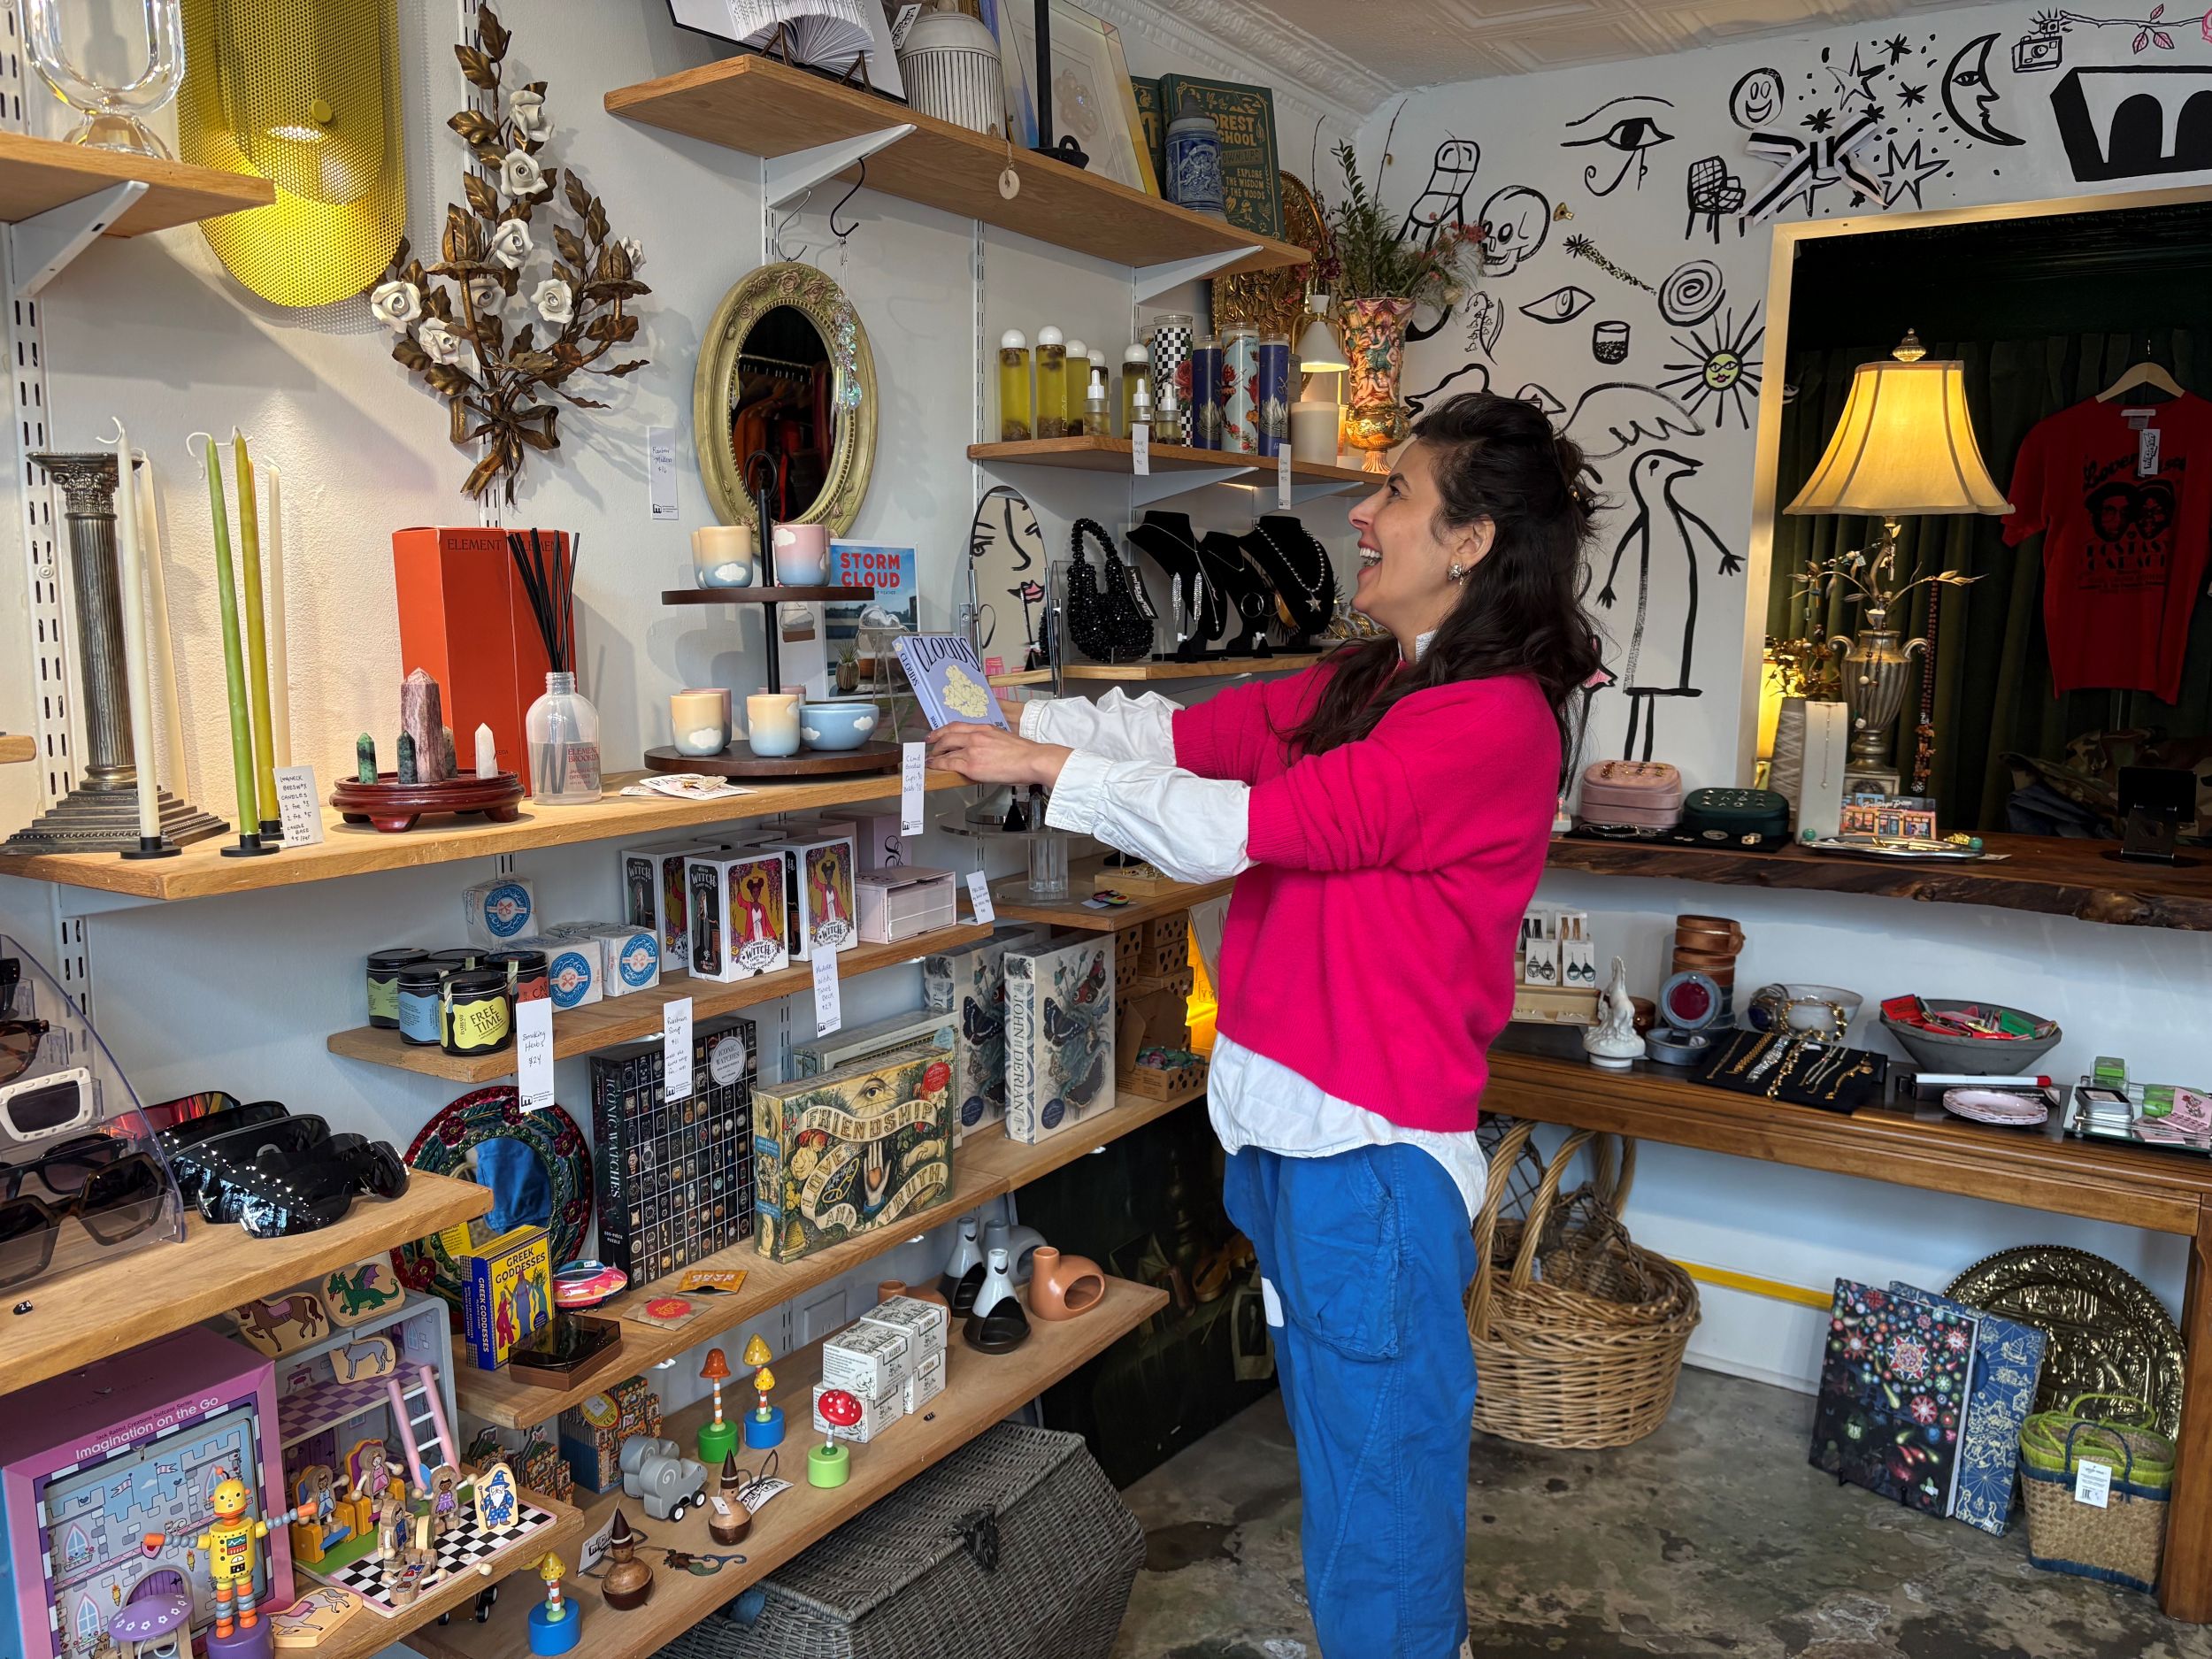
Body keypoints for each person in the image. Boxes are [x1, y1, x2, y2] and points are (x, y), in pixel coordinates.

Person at [927, 392, 1601, 1659]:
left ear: (1469, 541)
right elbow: (1179, 735)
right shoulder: (1370, 680)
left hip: (1373, 1167)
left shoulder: (1490, 720)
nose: (1365, 510)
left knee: (1384, 1504)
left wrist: (1042, 773)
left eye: (1397, 490)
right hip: (1290, 1145)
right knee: (1347, 1480)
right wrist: (1014, 718)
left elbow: (1239, 830)